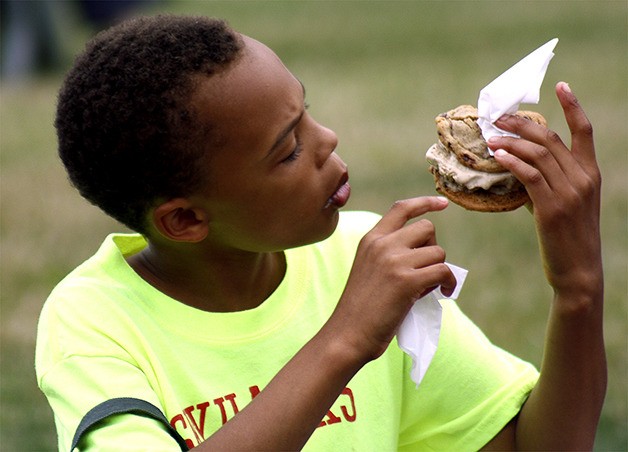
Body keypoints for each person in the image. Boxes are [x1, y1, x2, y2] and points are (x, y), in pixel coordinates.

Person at [35, 15, 606, 451]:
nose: (328, 138)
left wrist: (578, 287)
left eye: (307, 111)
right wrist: (347, 336)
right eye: (288, 150)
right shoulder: (92, 322)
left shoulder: (359, 257)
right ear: (185, 220)